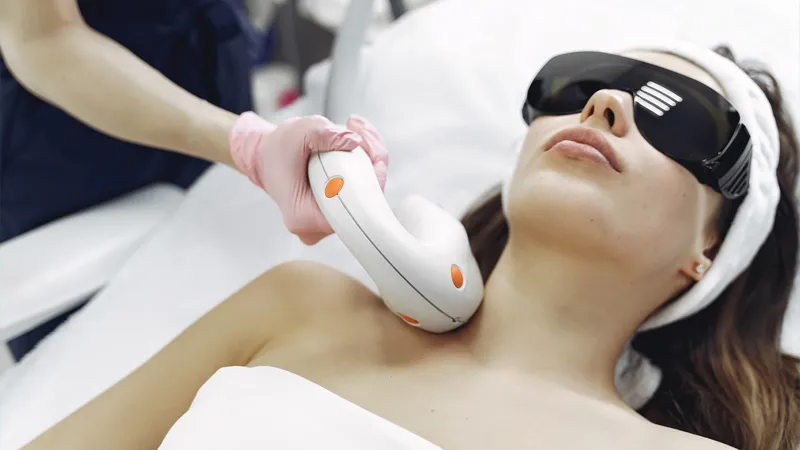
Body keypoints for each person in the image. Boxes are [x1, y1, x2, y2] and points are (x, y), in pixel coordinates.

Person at [18, 45, 800, 450]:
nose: (603, 105)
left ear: (709, 251)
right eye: (573, 86)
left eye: (680, 116)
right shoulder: (302, 308)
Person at [0, 0, 389, 361]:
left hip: (201, 52)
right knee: (116, 360)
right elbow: (42, 39)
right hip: (74, 126)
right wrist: (246, 145)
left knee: (237, 301)